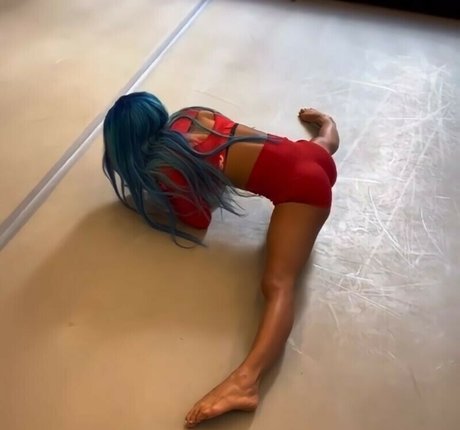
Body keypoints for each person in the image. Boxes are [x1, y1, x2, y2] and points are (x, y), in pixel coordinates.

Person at [103, 92, 339, 427]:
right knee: (325, 142)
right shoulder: (192, 114)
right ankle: (327, 121)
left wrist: (166, 198)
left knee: (278, 284)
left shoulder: (167, 167)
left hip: (305, 191)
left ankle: (246, 382)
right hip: (309, 155)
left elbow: (198, 219)